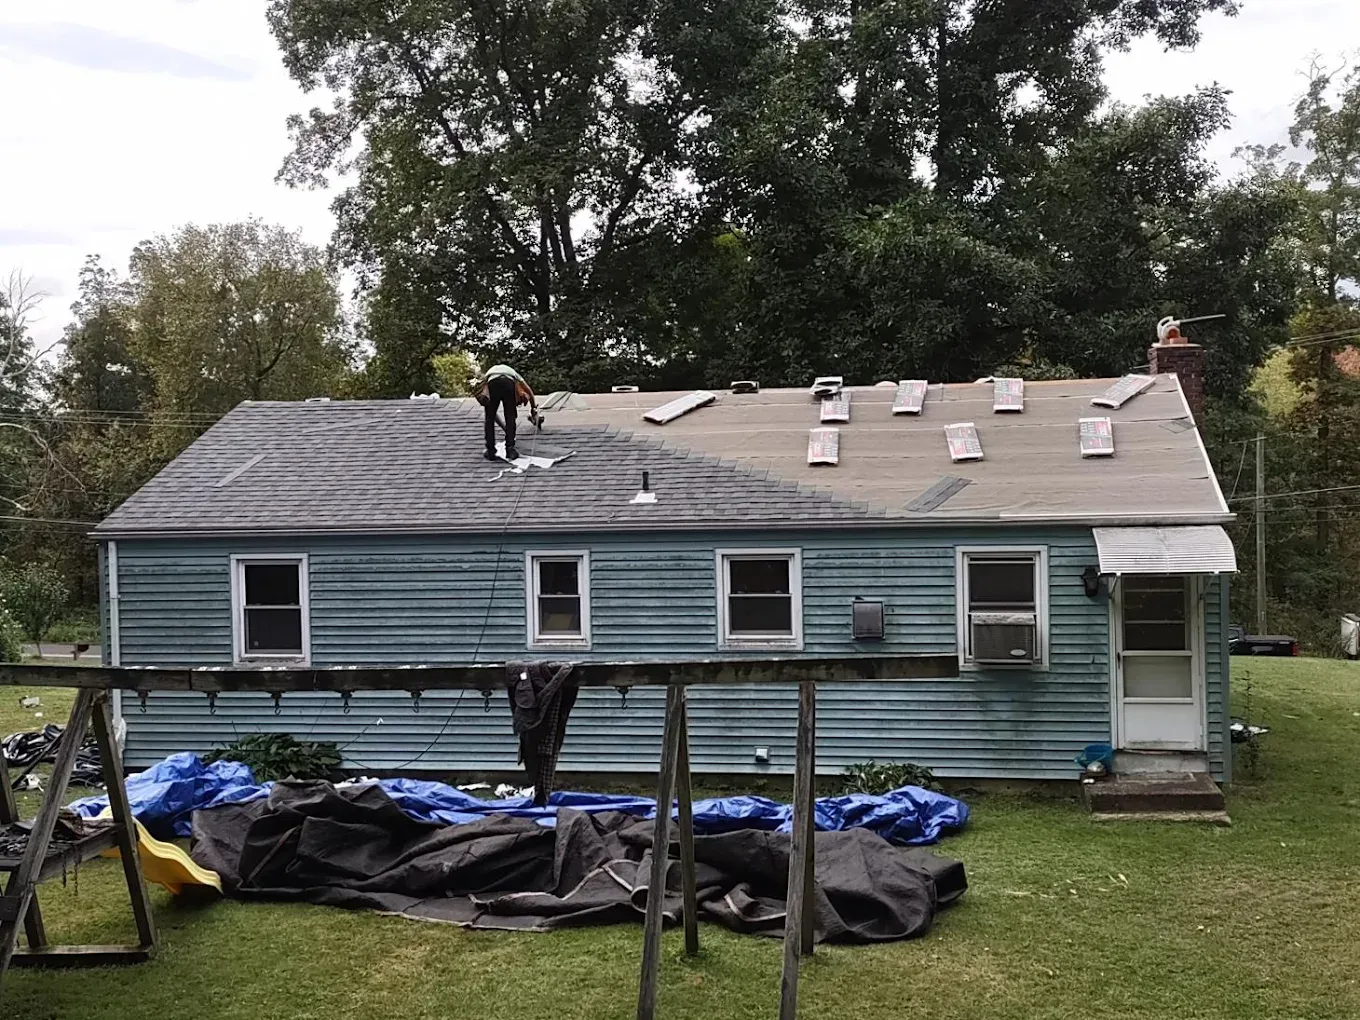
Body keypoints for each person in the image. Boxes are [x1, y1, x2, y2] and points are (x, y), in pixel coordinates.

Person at [475, 364, 537, 460]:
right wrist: (533, 408)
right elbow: (528, 391)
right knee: (510, 417)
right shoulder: (514, 374)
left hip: (492, 383)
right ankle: (510, 450)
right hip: (508, 383)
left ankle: (490, 451)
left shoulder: (490, 372)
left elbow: (481, 389)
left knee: (489, 418)